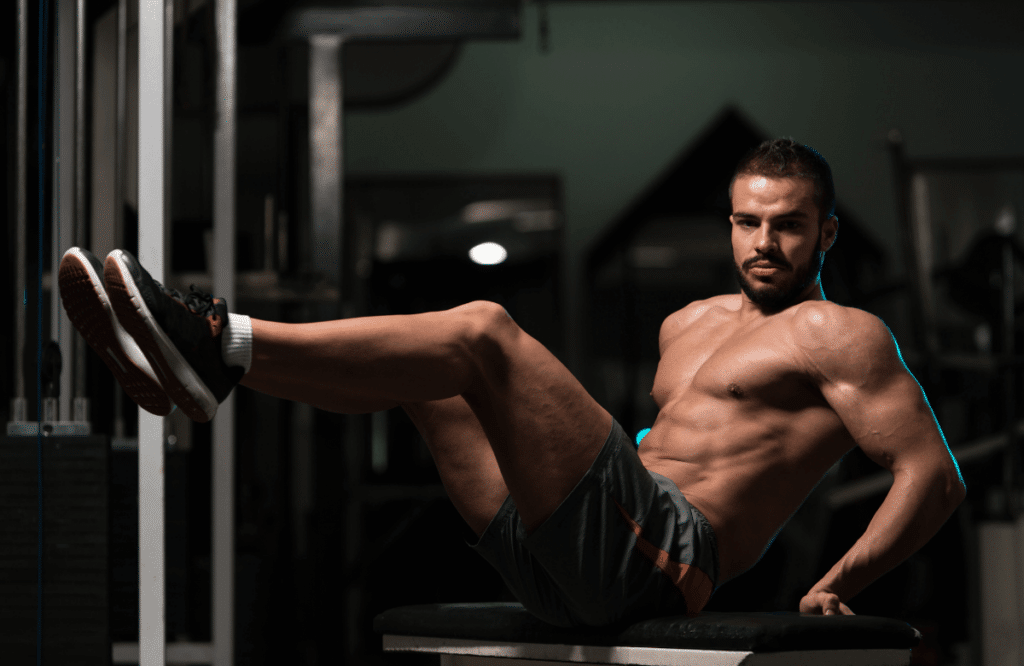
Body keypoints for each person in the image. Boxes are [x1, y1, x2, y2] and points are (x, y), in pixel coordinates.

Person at [58, 138, 965, 627]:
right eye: (747, 222)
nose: (763, 243)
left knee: (481, 332)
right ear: (727, 222)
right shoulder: (685, 325)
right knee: (427, 377)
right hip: (565, 558)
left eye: (789, 226)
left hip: (665, 562)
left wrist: (841, 581)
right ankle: (222, 378)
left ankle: (215, 337)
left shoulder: (840, 334)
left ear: (828, 235)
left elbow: (933, 474)